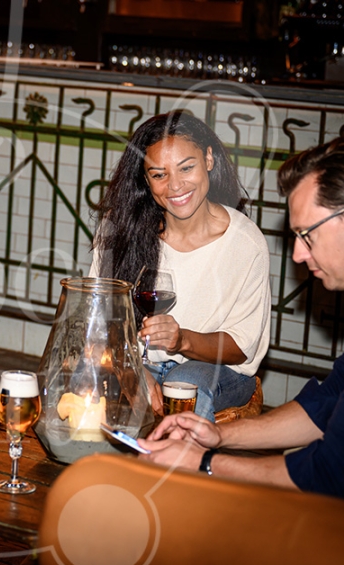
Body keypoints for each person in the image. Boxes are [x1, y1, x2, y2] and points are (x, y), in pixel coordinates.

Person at [141, 137, 344, 519]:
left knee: (251, 519)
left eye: (306, 235)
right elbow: (329, 399)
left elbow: (333, 472)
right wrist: (220, 436)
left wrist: (204, 462)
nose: (298, 254)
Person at [91, 111, 270, 421]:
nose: (175, 186)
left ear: (209, 160)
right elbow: (95, 325)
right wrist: (130, 369)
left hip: (217, 371)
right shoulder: (120, 232)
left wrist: (182, 339)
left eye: (186, 168)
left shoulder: (245, 243)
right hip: (137, 362)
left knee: (185, 383)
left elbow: (241, 348)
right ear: (145, 180)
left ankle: (180, 467)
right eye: (159, 174)